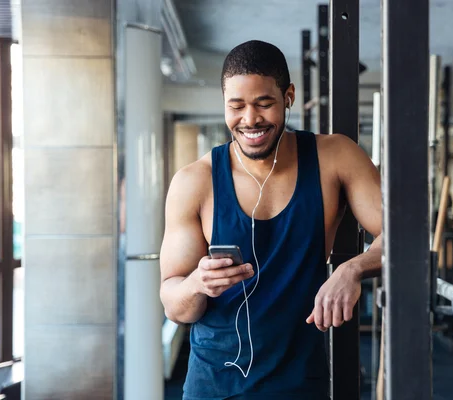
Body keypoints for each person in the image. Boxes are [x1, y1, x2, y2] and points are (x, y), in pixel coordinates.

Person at [159, 40, 382, 400]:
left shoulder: (335, 157)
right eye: (237, 106)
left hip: (301, 381)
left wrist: (352, 269)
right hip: (214, 386)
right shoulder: (193, 181)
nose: (250, 120)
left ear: (288, 96)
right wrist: (198, 283)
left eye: (264, 103)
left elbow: (404, 237)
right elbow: (174, 304)